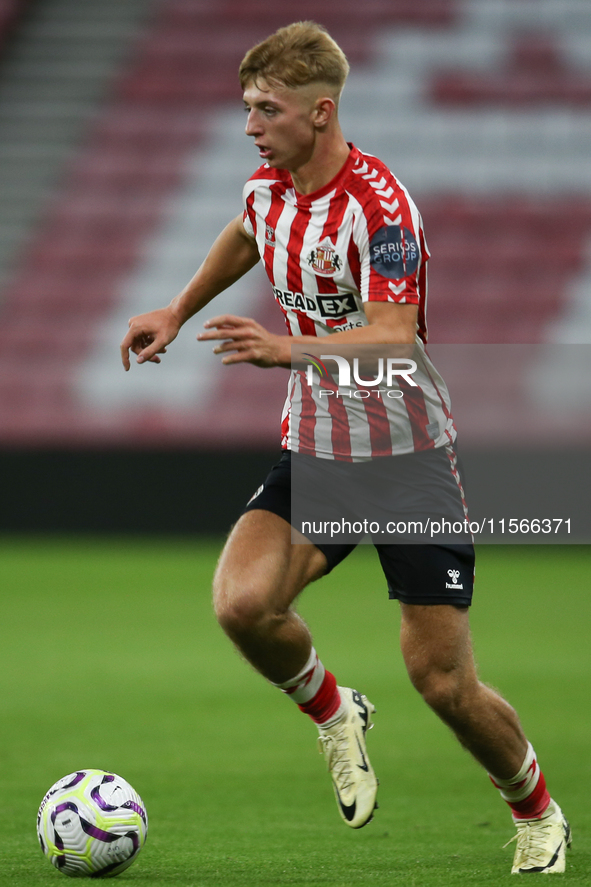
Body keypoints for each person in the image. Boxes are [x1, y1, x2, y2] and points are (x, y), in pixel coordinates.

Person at [120, 21, 570, 874]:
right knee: (241, 604)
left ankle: (537, 812)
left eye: (267, 109)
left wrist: (286, 348)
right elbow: (247, 233)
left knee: (442, 683)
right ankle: (334, 713)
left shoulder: (383, 207)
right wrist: (175, 310)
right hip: (319, 454)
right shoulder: (269, 190)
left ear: (320, 113)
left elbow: (396, 336)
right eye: (246, 108)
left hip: (408, 462)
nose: (251, 125)